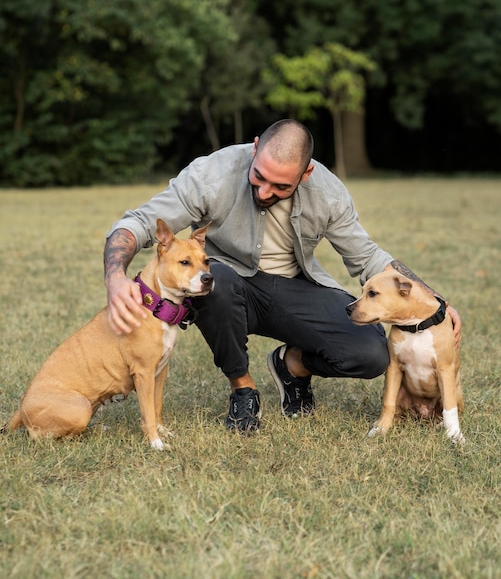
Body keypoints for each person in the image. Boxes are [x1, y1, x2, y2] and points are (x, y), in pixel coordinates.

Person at [104, 119, 461, 433]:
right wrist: (116, 277)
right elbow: (137, 223)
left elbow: (367, 256)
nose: (263, 192)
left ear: (305, 174)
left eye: (280, 187)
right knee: (217, 283)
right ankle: (243, 389)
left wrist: (434, 302)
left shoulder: (328, 191)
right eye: (258, 177)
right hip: (229, 284)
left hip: (296, 288)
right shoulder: (213, 174)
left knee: (370, 353)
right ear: (256, 147)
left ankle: (292, 365)